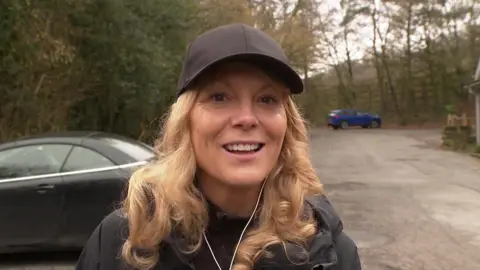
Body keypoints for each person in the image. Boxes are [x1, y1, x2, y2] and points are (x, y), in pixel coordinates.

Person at [75, 23, 361, 270]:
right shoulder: (126, 239)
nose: (247, 119)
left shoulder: (328, 252)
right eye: (220, 97)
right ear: (185, 119)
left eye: (267, 99)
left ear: (287, 123)